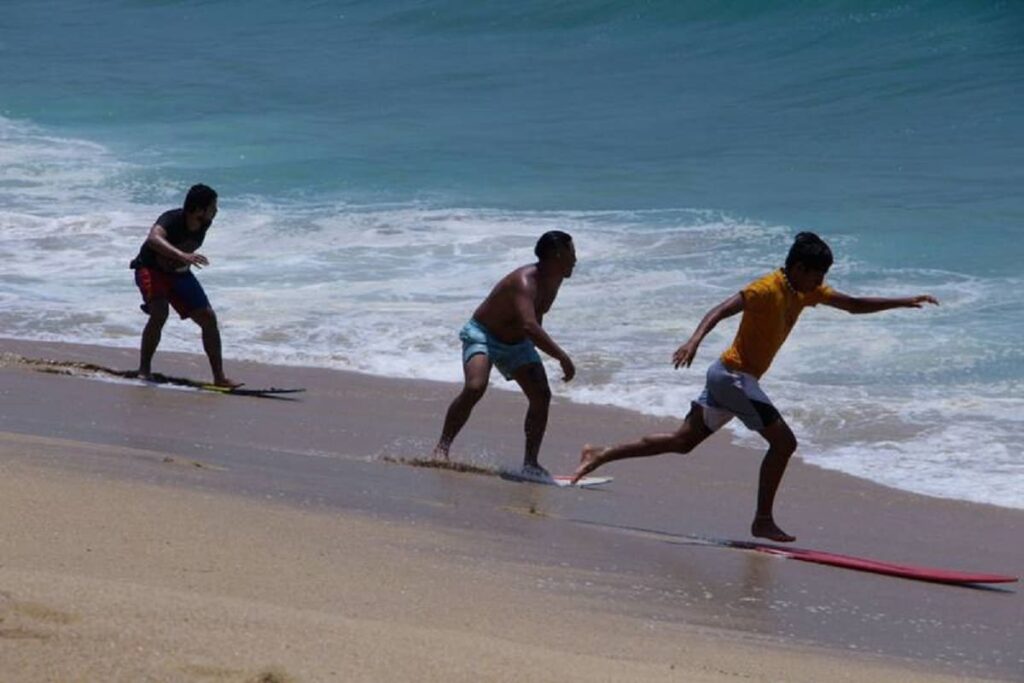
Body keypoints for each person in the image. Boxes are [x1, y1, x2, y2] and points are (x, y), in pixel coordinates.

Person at [571, 232, 938, 542]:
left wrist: (903, 301)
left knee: (682, 442)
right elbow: (721, 308)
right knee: (784, 443)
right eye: (817, 274)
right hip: (732, 376)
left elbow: (854, 305)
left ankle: (600, 453)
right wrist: (693, 340)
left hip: (731, 378)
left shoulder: (804, 292)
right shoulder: (766, 288)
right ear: (798, 269)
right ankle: (762, 520)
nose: (820, 281)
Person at [432, 231, 578, 477]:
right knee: (475, 387)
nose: (576, 259)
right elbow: (530, 325)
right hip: (484, 335)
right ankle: (441, 449)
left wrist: (532, 352)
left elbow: (536, 316)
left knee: (541, 396)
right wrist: (562, 357)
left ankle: (530, 463)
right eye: (572, 253)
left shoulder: (555, 277)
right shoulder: (524, 281)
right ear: (557, 255)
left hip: (518, 343)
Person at [129, 184, 239, 388]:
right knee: (160, 313)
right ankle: (144, 370)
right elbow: (153, 239)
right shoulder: (171, 219)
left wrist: (182, 261)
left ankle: (219, 377)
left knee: (208, 318)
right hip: (150, 270)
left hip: (179, 274)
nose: (216, 211)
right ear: (198, 209)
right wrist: (182, 256)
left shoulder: (204, 223)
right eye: (213, 207)